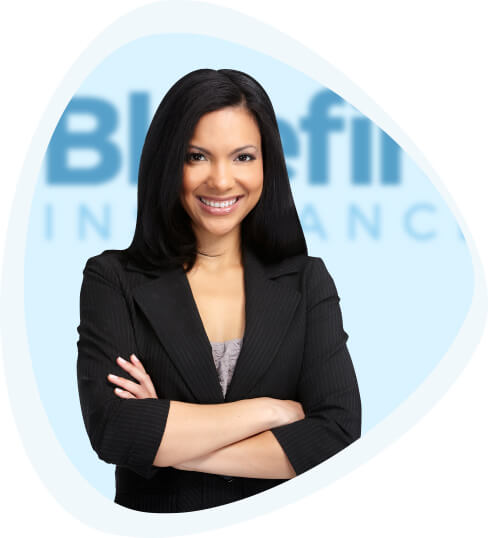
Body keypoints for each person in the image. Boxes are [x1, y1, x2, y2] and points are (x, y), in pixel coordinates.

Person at [76, 68, 362, 513]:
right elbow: (116, 431)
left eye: (243, 157)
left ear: (267, 163)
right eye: (197, 156)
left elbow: (336, 436)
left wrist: (171, 443)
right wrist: (269, 411)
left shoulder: (307, 282)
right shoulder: (112, 279)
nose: (222, 180)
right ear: (168, 162)